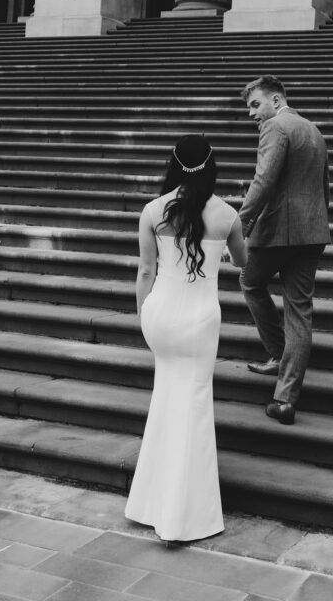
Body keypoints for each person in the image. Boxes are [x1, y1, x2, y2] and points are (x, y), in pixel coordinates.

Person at [125, 134, 247, 543]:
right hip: (198, 321)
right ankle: (183, 517)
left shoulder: (152, 210)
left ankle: (148, 503)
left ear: (172, 167)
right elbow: (244, 261)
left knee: (165, 400)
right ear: (211, 167)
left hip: (159, 316)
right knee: (193, 407)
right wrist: (225, 252)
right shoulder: (228, 215)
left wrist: (144, 318)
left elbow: (145, 272)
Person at [238, 74, 330, 426]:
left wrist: (240, 226)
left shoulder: (276, 127)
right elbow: (324, 185)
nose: (251, 114)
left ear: (276, 100)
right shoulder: (314, 130)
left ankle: (277, 353)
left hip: (279, 230)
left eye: (255, 104)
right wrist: (321, 223)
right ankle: (285, 398)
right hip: (312, 230)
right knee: (300, 311)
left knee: (249, 281)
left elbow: (264, 180)